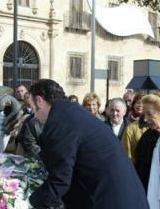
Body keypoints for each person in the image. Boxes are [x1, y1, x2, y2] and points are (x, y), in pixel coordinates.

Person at [28, 79, 148, 209]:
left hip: (110, 200)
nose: (35, 116)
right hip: (121, 195)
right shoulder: (71, 112)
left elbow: (60, 178)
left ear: (39, 101)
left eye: (33, 109)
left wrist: (29, 203)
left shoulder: (60, 120)